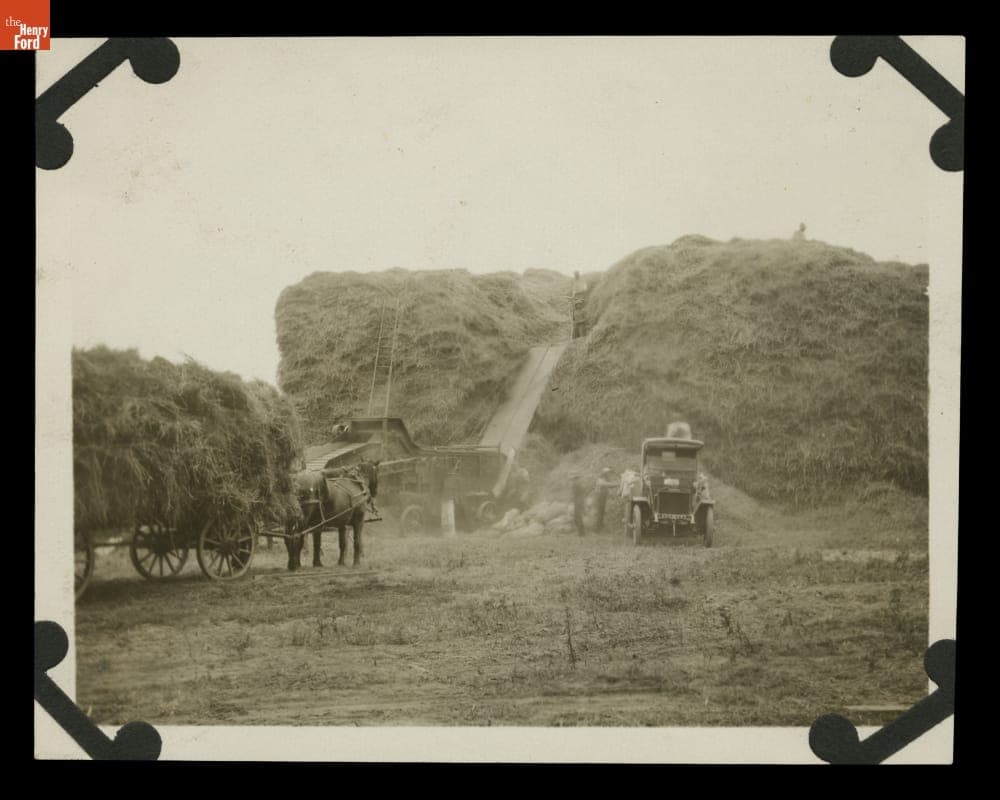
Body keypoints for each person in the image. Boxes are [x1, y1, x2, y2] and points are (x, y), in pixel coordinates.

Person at [594, 466, 619, 532]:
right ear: (604, 474)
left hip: (602, 498)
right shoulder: (600, 479)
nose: (609, 475)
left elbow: (610, 485)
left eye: (609, 473)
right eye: (607, 473)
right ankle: (597, 528)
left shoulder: (605, 479)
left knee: (602, 512)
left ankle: (600, 526)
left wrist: (616, 483)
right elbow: (608, 485)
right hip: (599, 498)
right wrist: (618, 484)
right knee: (600, 512)